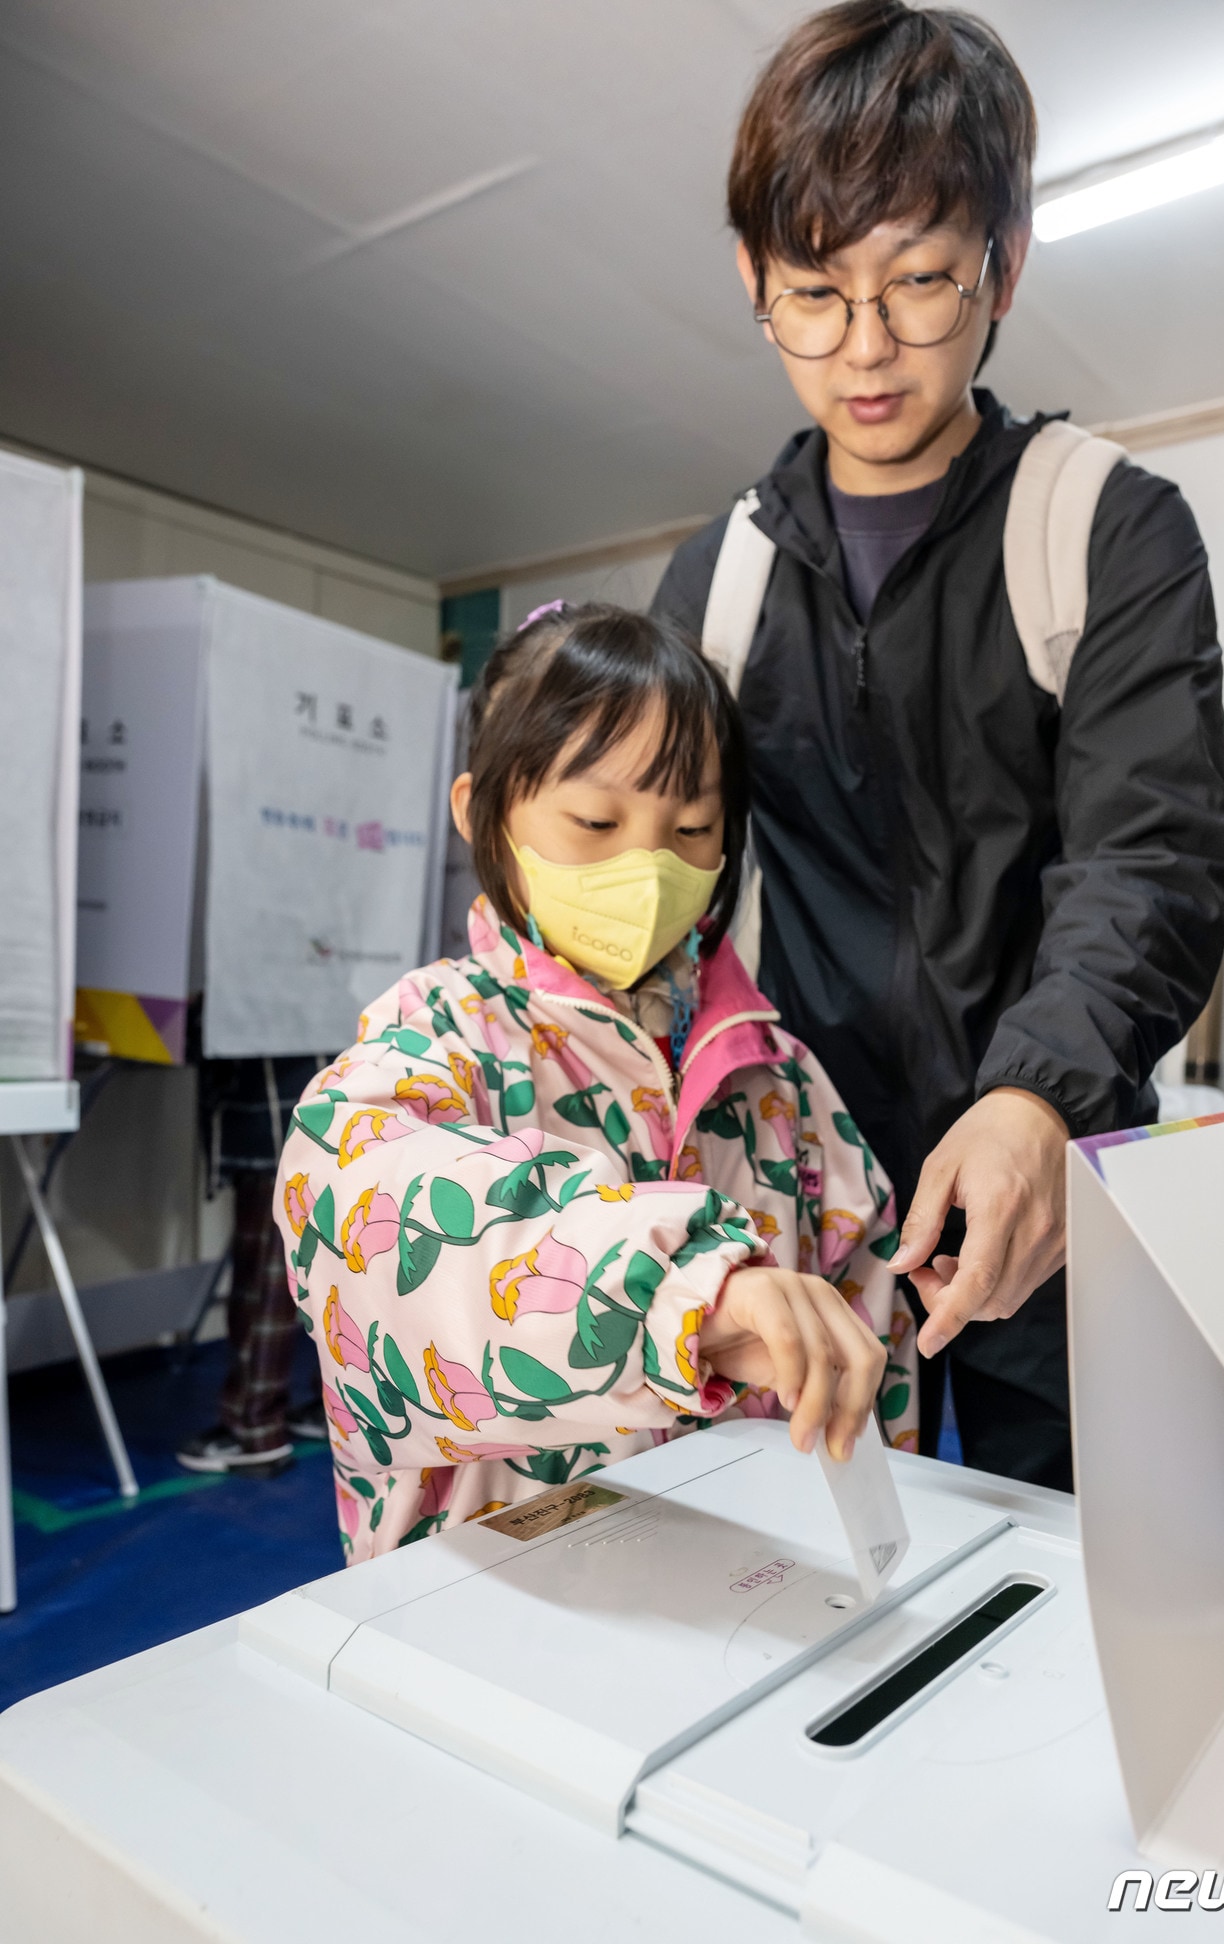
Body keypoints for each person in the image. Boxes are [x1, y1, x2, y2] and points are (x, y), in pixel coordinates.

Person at [653, 1, 1224, 1489]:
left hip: (1065, 1187)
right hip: (812, 1215)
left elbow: (1150, 857)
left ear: (1005, 267)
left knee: (1118, 1621)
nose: (866, 350)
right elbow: (658, 893)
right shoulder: (717, 582)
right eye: (812, 295)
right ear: (752, 279)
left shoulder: (1103, 526)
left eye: (919, 286)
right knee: (827, 1620)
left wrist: (1036, 1093)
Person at [274, 603, 917, 1562]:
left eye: (693, 828)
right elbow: (365, 1232)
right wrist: (682, 1291)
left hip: (748, 1583)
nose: (648, 867)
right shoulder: (440, 1032)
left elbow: (871, 1346)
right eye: (595, 820)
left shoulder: (780, 1077)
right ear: (480, 811)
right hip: (498, 1596)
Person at [179, 1054, 331, 1476]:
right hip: (341, 1114)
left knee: (265, 1280)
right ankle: (331, 1410)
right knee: (333, 1271)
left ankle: (254, 1430)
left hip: (275, 1113)